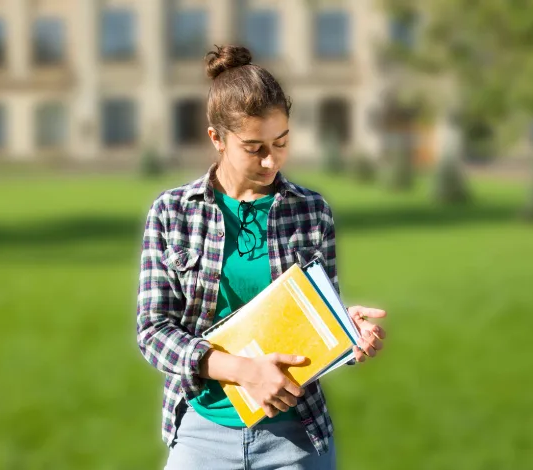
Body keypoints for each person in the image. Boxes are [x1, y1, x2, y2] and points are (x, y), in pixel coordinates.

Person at [137, 44, 387, 470]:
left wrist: (348, 332)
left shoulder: (312, 211)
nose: (271, 160)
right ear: (216, 138)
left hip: (296, 439)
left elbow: (311, 315)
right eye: (254, 148)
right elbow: (153, 332)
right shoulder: (171, 212)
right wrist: (242, 370)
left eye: (282, 141)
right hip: (202, 434)